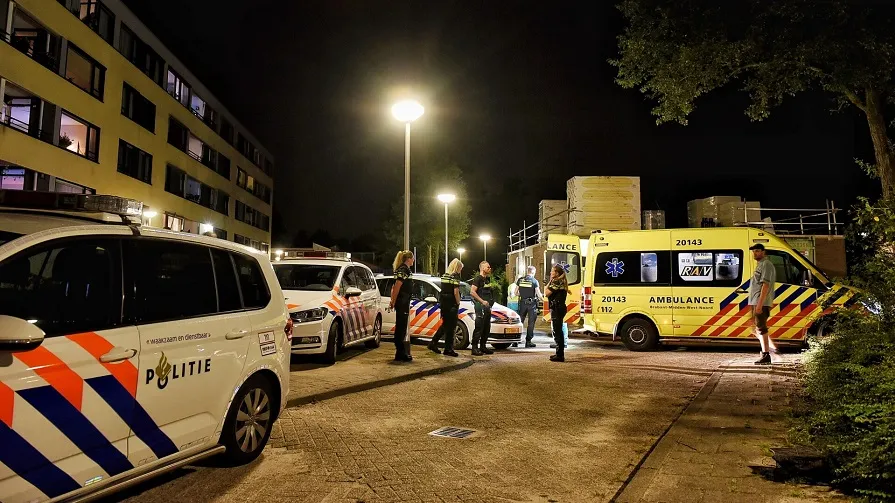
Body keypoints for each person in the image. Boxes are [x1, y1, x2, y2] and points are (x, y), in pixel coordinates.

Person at [749, 244, 779, 365]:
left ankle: (766, 354)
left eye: (757, 251)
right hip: (756, 301)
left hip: (760, 302)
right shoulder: (761, 264)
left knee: (761, 328)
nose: (755, 253)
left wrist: (759, 305)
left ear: (763, 252)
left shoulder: (766, 264)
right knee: (757, 328)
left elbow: (765, 286)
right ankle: (767, 351)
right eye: (754, 251)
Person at [429, 258, 463, 357]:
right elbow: (456, 291)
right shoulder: (455, 276)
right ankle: (448, 349)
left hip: (444, 303)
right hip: (452, 304)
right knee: (451, 327)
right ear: (457, 267)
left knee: (445, 325)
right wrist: (458, 302)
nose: (461, 270)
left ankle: (433, 343)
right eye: (460, 268)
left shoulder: (444, 276)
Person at [389, 250, 415, 362]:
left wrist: (393, 300)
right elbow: (397, 286)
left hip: (402, 301)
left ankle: (400, 352)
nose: (413, 260)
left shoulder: (402, 269)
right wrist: (393, 301)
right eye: (412, 258)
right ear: (408, 259)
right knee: (401, 328)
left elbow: (393, 287)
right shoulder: (404, 270)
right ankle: (400, 353)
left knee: (401, 327)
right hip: (402, 302)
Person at [469, 261, 496, 356]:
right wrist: (482, 301)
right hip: (480, 307)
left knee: (486, 327)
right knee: (479, 327)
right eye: (488, 267)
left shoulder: (487, 280)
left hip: (487, 308)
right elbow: (472, 292)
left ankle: (483, 346)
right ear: (482, 268)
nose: (490, 268)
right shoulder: (478, 279)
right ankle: (474, 348)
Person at [514, 266, 542, 348]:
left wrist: (522, 295)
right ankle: (528, 341)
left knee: (520, 322)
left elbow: (515, 293)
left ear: (527, 271)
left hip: (522, 303)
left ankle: (515, 340)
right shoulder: (534, 281)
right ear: (533, 272)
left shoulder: (520, 280)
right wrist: (543, 299)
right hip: (531, 304)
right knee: (531, 323)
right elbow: (539, 294)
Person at [546, 264, 568, 362]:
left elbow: (546, 293)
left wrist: (550, 281)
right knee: (558, 330)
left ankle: (560, 355)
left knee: (557, 331)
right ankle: (558, 353)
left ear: (557, 273)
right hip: (559, 307)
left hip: (557, 308)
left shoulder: (557, 281)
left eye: (552, 271)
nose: (551, 272)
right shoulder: (559, 281)